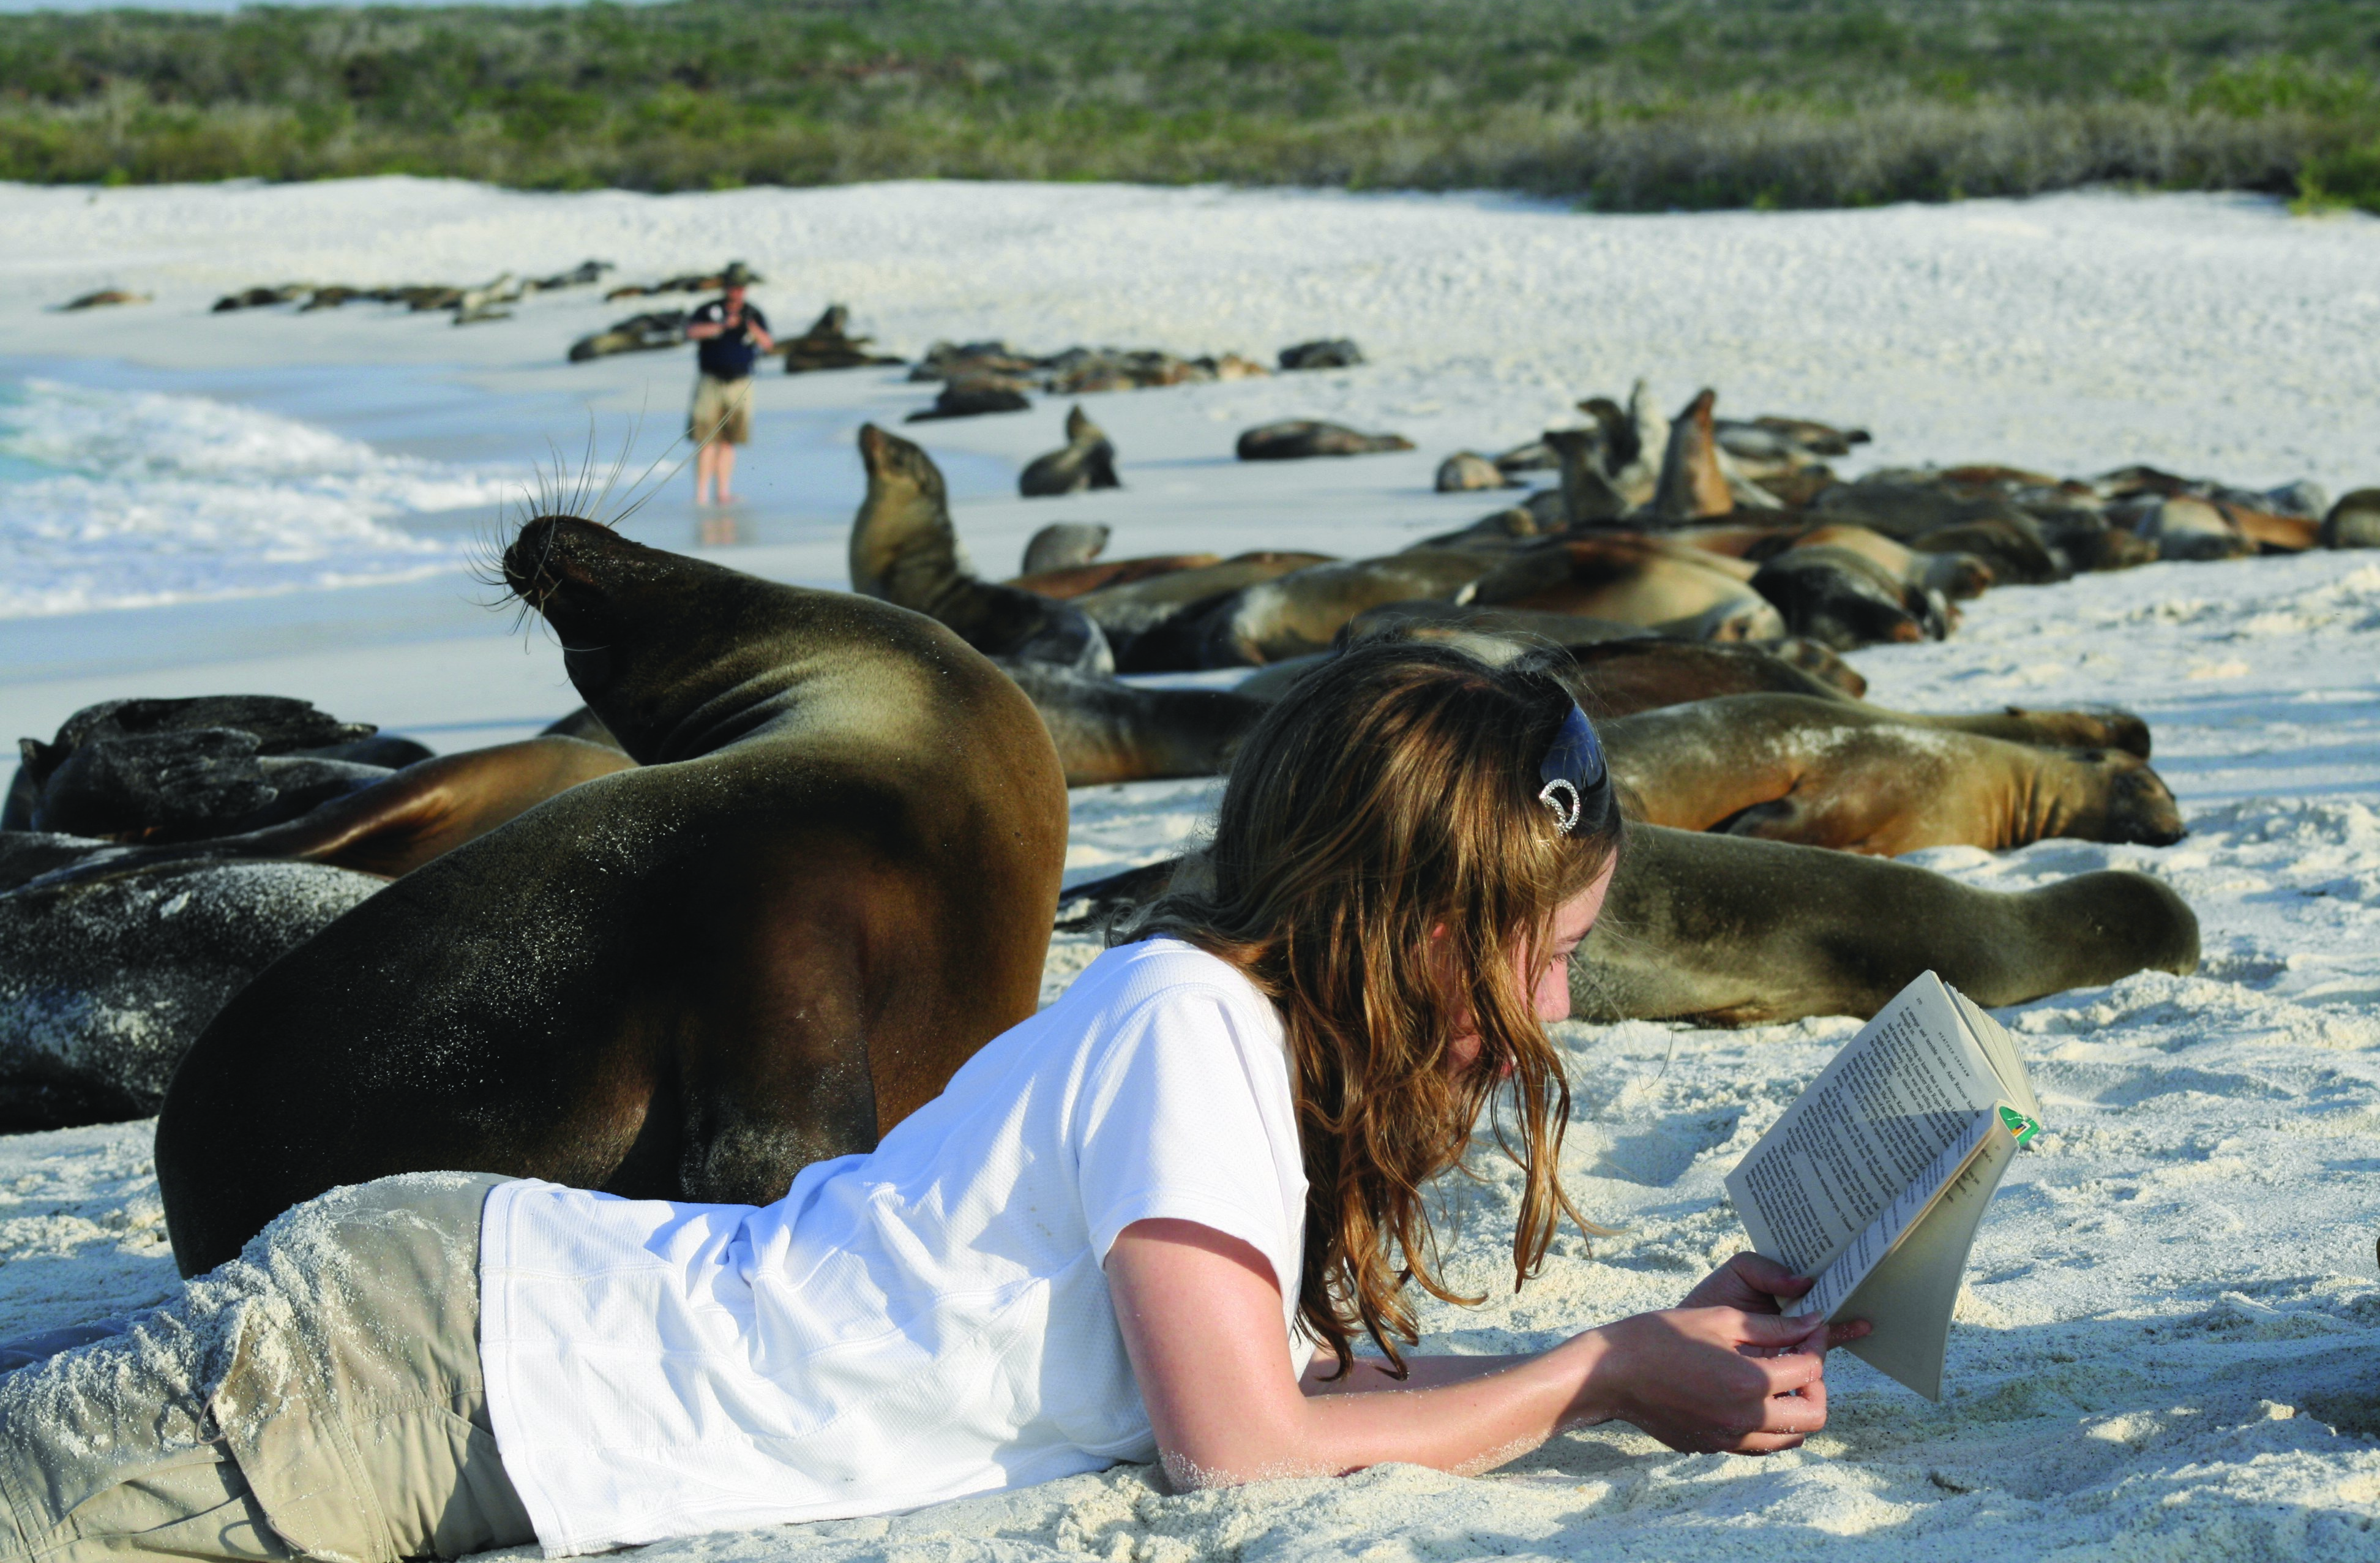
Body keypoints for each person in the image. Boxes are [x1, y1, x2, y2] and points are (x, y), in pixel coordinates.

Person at [0, 642, 1865, 1562]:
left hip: (479, 1354)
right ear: (1400, 926)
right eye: (1539, 956)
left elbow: (1268, 1403)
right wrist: (1605, 1372)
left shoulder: (1214, 1054)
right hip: (433, 1362)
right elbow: (1244, 1454)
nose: (1552, 1013)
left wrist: (1654, 1338)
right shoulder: (1179, 1026)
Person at [684, 262, 773, 508]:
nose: (737, 292)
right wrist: (723, 327)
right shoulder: (709, 310)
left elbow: (768, 344)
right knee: (705, 438)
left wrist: (749, 327)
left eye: (741, 287)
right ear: (726, 286)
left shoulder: (753, 314)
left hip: (740, 383)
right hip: (711, 380)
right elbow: (691, 331)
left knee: (729, 440)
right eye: (733, 286)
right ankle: (701, 494)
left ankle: (723, 492)